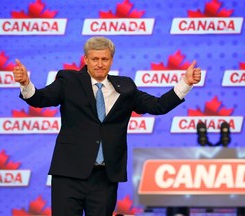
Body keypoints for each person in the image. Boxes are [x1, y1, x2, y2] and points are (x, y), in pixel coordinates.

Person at [13, 36, 201, 216]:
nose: (100, 64)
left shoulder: (126, 87)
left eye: (104, 59)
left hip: (105, 177)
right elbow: (40, 99)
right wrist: (26, 83)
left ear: (111, 61)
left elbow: (158, 105)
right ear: (86, 59)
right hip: (69, 175)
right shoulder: (69, 81)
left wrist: (185, 83)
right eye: (94, 59)